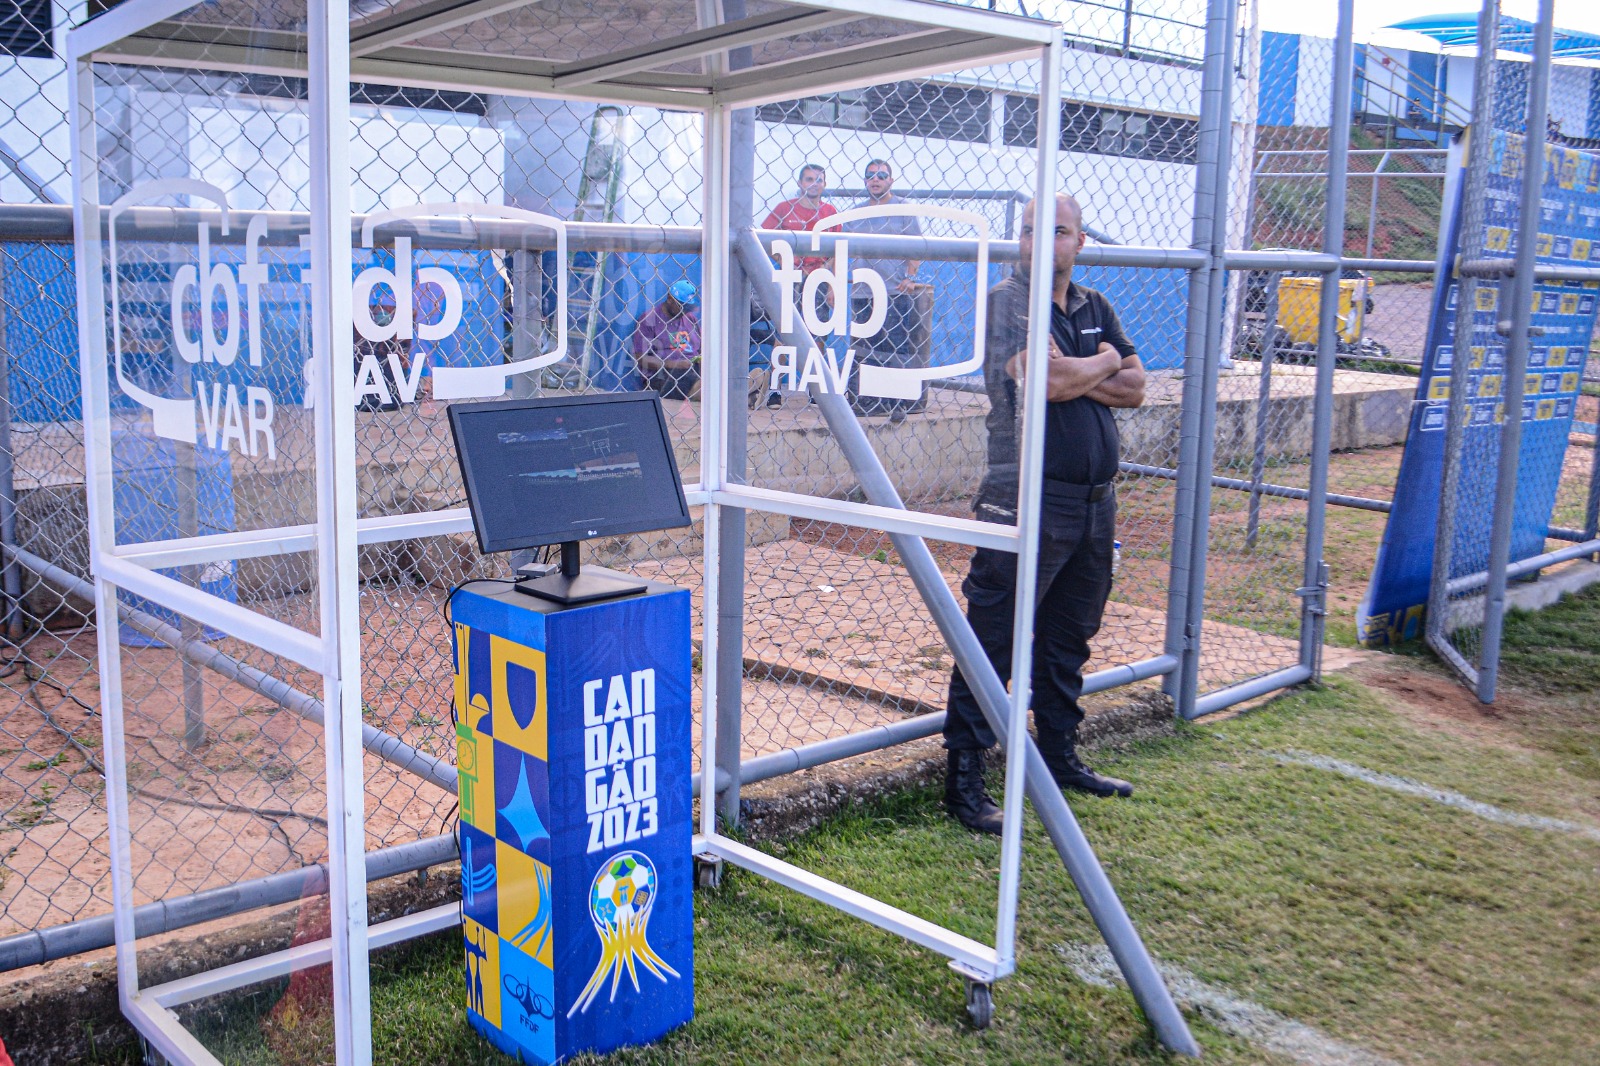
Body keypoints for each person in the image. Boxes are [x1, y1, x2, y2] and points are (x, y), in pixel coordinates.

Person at [943, 192, 1147, 835]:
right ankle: (965, 781)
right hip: (1024, 496)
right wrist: (1105, 362)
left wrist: (1093, 367)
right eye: (1029, 231)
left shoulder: (1093, 305)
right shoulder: (1008, 302)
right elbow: (1044, 383)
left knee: (1068, 640)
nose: (1041, 242)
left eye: (1056, 231)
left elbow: (1137, 389)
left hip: (1094, 504)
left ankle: (1059, 758)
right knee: (994, 637)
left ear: (1080, 241)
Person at [844, 158, 922, 421]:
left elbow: (917, 247)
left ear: (891, 180)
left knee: (895, 347)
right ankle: (865, 402)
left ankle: (896, 403)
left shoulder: (903, 209)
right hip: (863, 294)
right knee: (863, 349)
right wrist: (834, 283)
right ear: (865, 181)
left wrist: (911, 276)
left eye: (881, 175)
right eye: (870, 175)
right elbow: (840, 251)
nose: (875, 179)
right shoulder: (855, 214)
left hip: (893, 292)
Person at [632, 279, 701, 400]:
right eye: (681, 306)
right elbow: (641, 358)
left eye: (688, 307)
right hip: (663, 374)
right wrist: (675, 364)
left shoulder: (690, 319)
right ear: (670, 299)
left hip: (692, 368)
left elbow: (702, 349)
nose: (684, 311)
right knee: (698, 384)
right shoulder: (649, 319)